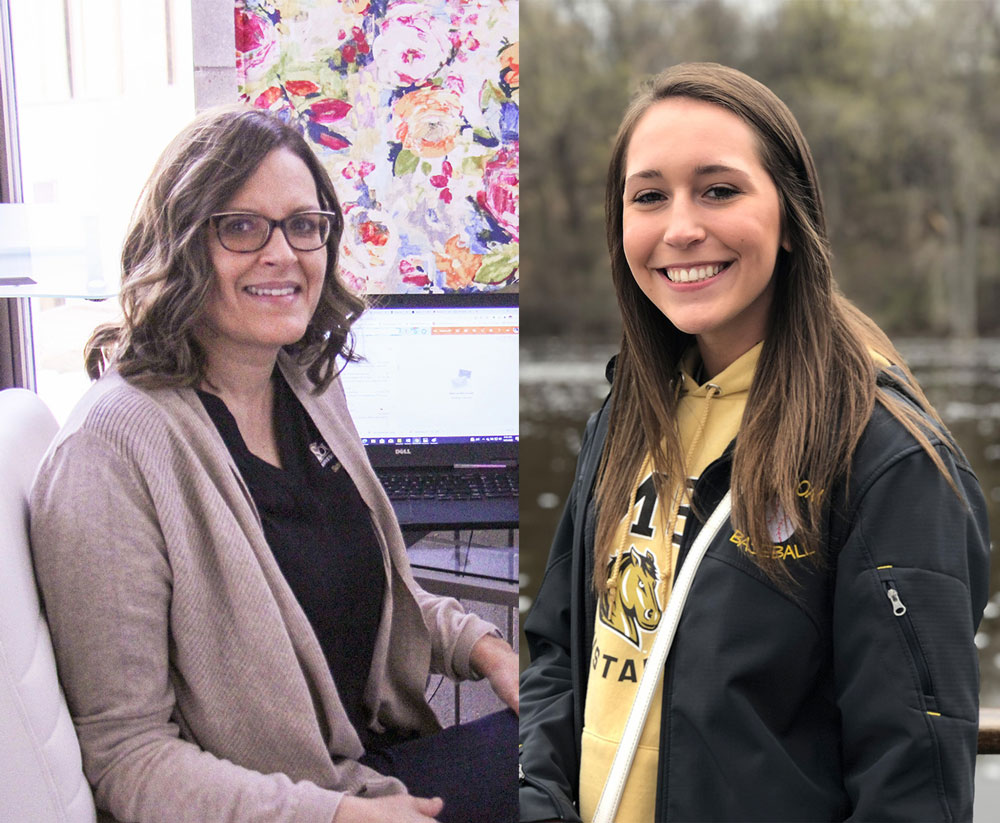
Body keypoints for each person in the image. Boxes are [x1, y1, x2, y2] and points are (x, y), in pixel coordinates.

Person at [518, 62, 990, 822]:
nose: (680, 227)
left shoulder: (887, 460)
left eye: (719, 189)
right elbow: (558, 657)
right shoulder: (624, 418)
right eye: (648, 196)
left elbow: (911, 784)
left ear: (791, 215)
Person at [29, 106, 518, 823]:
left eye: (303, 224)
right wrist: (333, 816)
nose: (282, 252)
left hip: (368, 764)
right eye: (241, 226)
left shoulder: (306, 383)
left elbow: (377, 595)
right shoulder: (110, 453)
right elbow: (127, 757)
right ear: (181, 243)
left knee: (607, 720)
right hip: (303, 803)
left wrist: (483, 645)